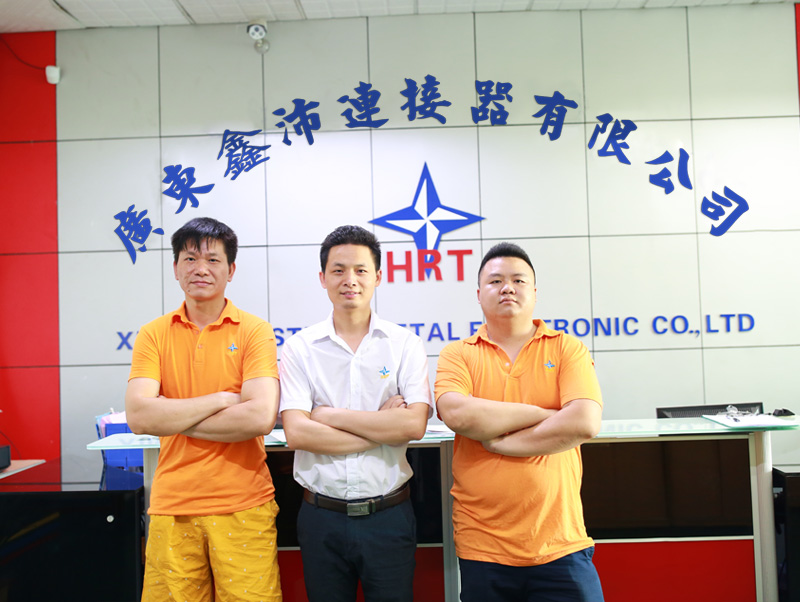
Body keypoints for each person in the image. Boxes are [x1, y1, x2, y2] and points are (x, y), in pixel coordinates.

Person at [435, 242, 604, 602]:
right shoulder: (458, 354)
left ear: (535, 292)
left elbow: (585, 422)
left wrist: (502, 442)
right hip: (484, 545)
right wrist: (549, 415)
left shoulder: (566, 348)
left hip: (560, 541)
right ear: (479, 294)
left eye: (518, 280)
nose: (507, 288)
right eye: (495, 281)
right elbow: (457, 414)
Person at [126, 217, 282, 602]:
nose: (201, 268)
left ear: (231, 270)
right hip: (172, 505)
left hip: (244, 503)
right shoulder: (153, 334)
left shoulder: (254, 331)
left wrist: (170, 414)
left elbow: (259, 417)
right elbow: (140, 417)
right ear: (175, 267)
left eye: (213, 260)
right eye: (190, 258)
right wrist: (221, 399)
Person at [279, 225, 432, 602]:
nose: (350, 280)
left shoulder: (404, 344)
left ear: (378, 276)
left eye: (361, 270)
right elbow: (298, 433)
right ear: (323, 278)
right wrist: (383, 426)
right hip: (321, 518)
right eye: (338, 270)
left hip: (389, 516)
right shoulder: (300, 348)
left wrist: (327, 416)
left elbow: (413, 424)